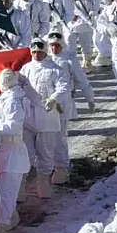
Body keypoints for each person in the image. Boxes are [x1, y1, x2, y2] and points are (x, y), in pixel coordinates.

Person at [19, 40, 70, 203]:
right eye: (33, 52)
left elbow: (63, 87)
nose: (36, 55)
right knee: (25, 152)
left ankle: (44, 183)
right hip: (28, 115)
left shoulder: (55, 69)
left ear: (45, 52)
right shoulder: (25, 69)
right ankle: (22, 186)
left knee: (46, 151)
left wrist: (54, 99)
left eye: (39, 52)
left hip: (47, 115)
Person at [45, 32, 93, 185]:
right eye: (51, 45)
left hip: (62, 103)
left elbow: (81, 78)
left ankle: (61, 168)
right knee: (45, 137)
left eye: (57, 45)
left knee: (60, 136)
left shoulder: (69, 59)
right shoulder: (43, 58)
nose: (54, 48)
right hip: (44, 104)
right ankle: (46, 166)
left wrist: (89, 97)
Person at [0, 70, 29, 233]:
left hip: (12, 152)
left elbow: (13, 126)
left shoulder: (14, 100)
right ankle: (9, 216)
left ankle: (2, 226)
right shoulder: (5, 98)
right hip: (3, 151)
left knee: (6, 192)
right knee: (3, 191)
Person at [64, 0, 101, 69]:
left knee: (86, 42)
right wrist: (69, 14)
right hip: (72, 18)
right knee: (69, 41)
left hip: (86, 17)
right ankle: (71, 63)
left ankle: (87, 61)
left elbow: (96, 1)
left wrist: (92, 13)